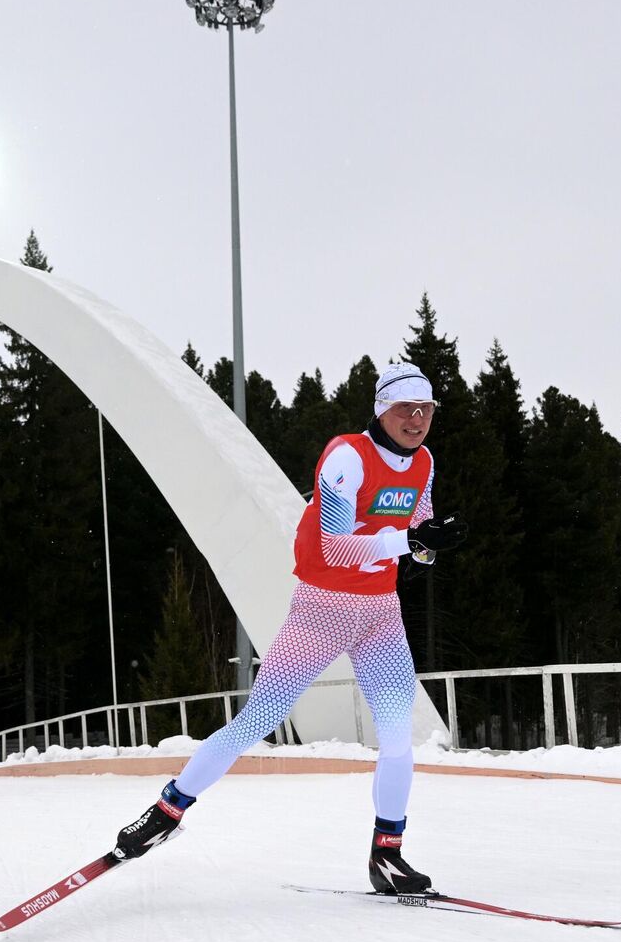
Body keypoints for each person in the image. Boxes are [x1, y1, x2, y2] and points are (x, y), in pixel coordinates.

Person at [112, 362, 467, 894]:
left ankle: (386, 855)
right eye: (404, 410)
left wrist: (431, 541)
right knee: (258, 721)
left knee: (398, 740)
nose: (416, 420)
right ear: (381, 410)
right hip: (322, 609)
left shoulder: (425, 462)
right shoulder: (348, 456)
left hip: (378, 614)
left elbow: (419, 521)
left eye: (426, 410)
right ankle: (167, 809)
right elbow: (336, 547)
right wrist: (407, 544)